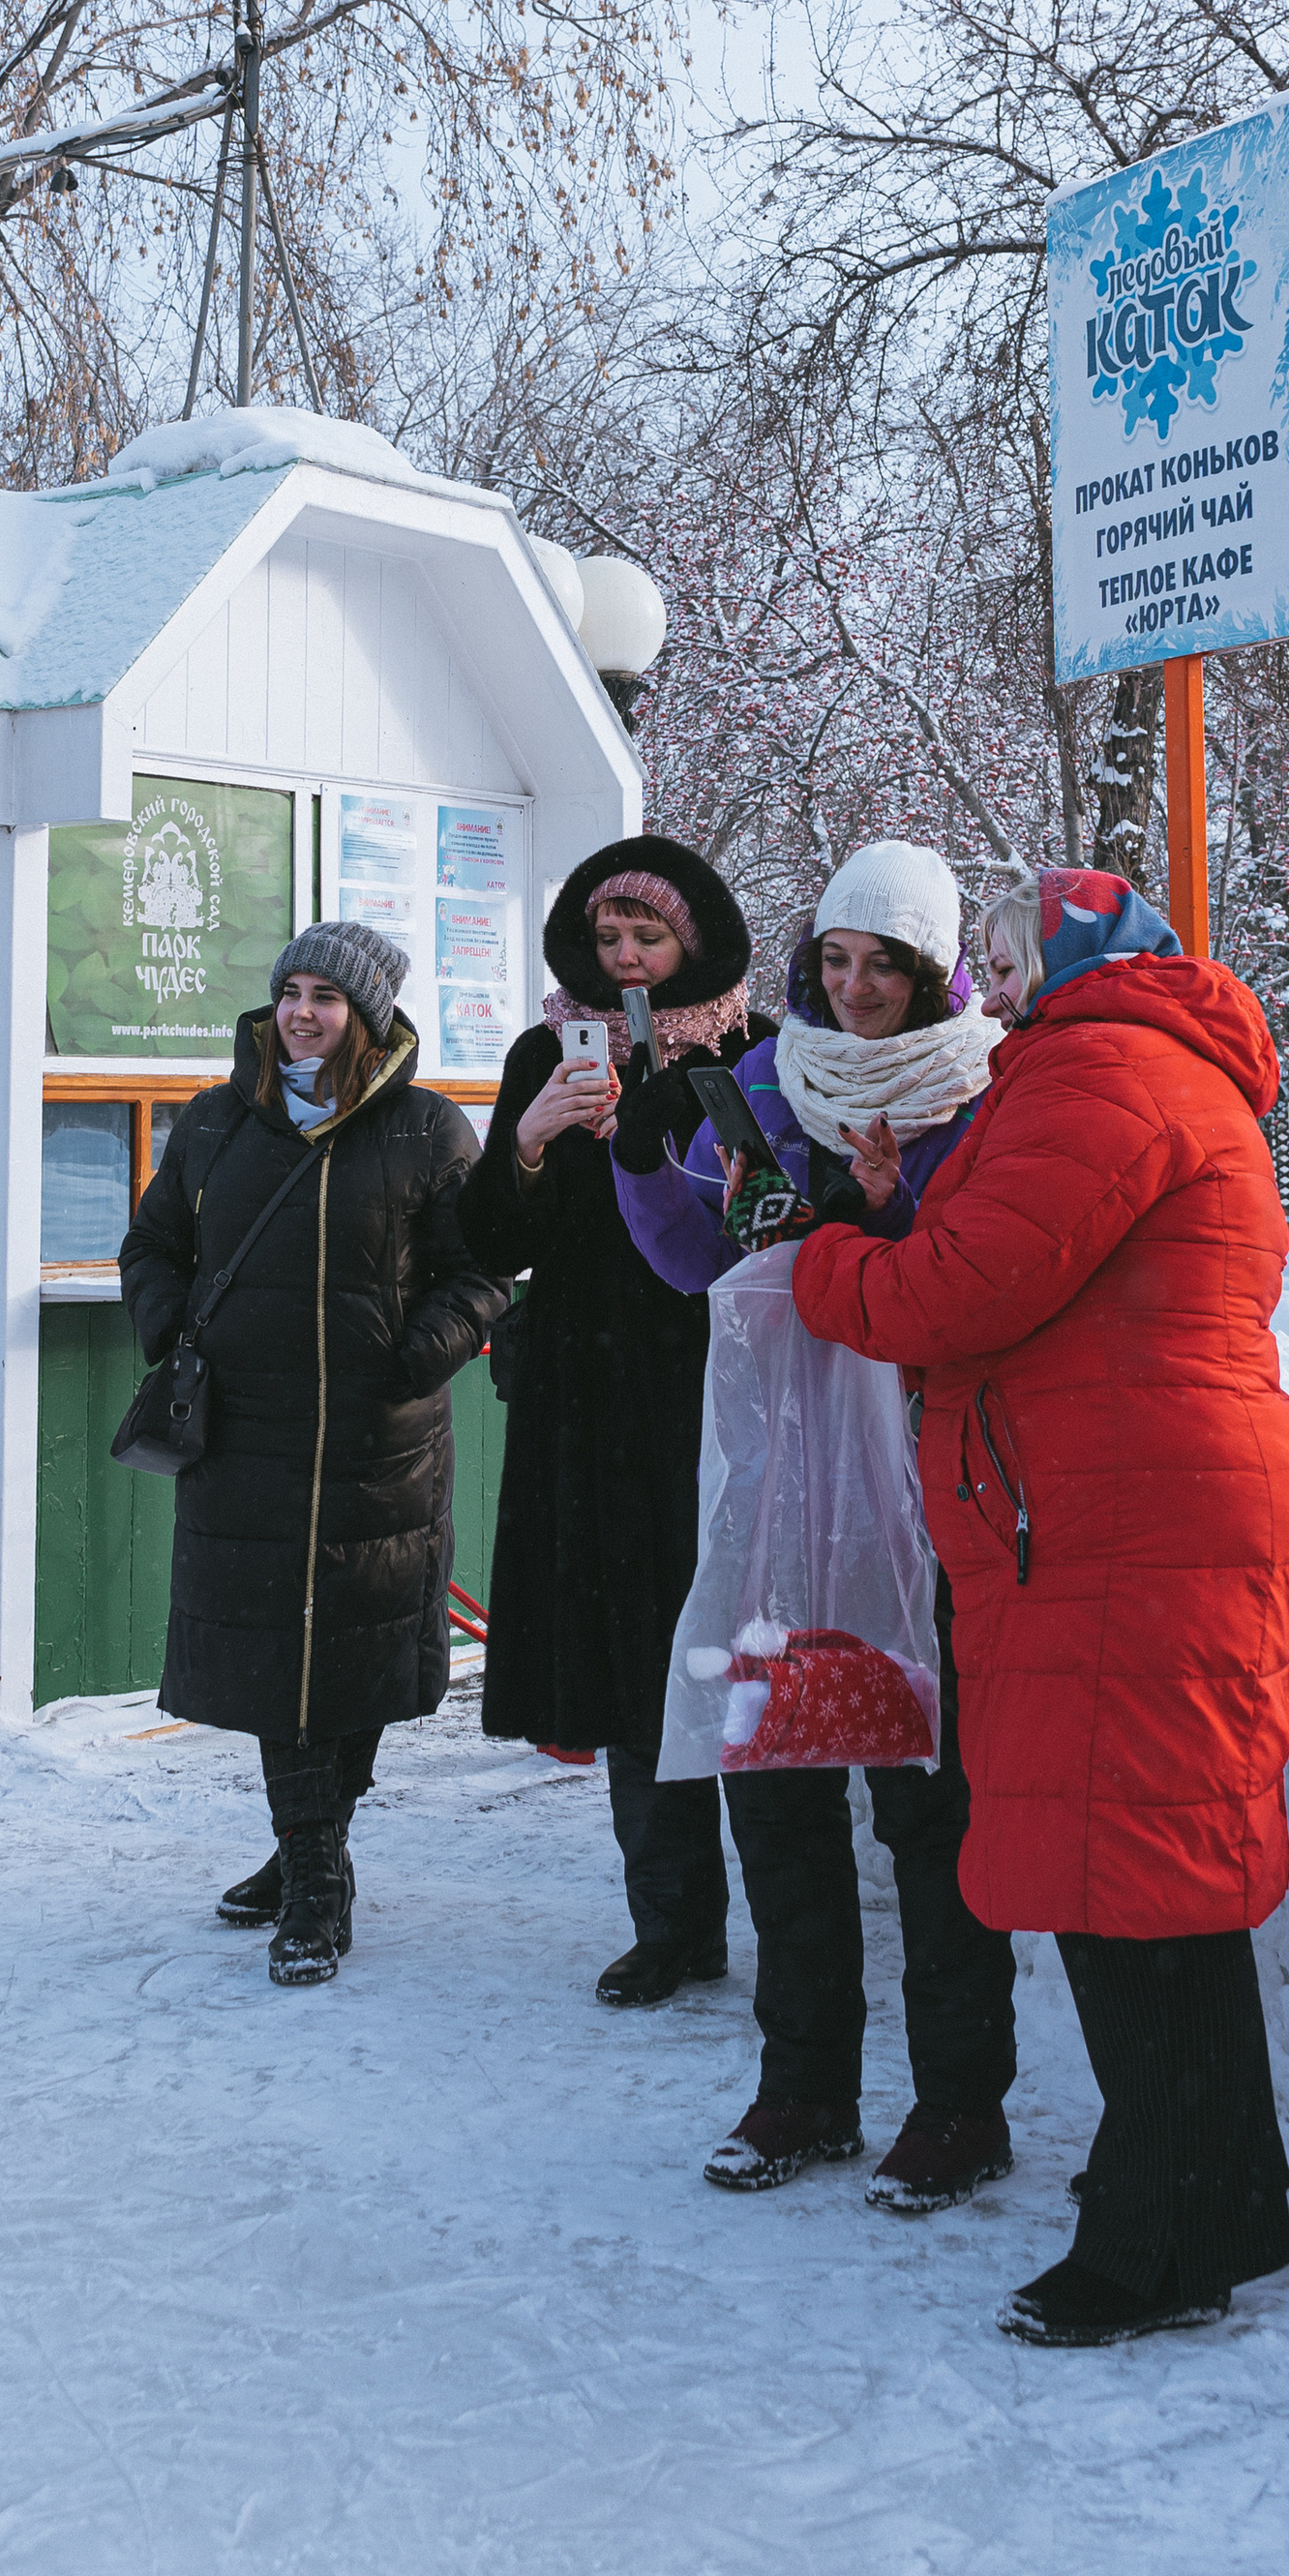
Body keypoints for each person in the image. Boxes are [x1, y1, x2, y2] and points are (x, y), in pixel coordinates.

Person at [793, 867, 1289, 2346]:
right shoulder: (1124, 1066)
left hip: (1129, 1530)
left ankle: (1161, 2244)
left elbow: (955, 1298)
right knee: (1150, 1881)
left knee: (1132, 1891)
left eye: (1010, 959)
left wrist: (826, 1249)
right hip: (1117, 1516)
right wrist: (912, 1208)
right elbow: (1027, 1257)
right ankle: (1207, 2200)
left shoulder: (1101, 1069)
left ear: (1066, 963)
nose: (996, 985)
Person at [615, 840, 1017, 2217]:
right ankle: (807, 2088)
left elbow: (976, 1281)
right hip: (788, 1500)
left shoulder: (982, 1094)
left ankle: (961, 2102)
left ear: (933, 973)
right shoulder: (777, 1084)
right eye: (836, 961)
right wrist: (646, 1164)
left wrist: (894, 1218)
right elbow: (702, 1263)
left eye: (886, 966)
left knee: (929, 1815)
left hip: (926, 1501)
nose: (855, 990)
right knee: (778, 1797)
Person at [119, 919, 504, 1990]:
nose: (301, 1013)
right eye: (289, 990)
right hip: (245, 1442)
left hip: (379, 1446)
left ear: (367, 1016)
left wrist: (422, 1350)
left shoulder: (428, 1133)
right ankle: (317, 1878)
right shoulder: (214, 1126)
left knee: (356, 1662)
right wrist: (169, 1326)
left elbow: (481, 1273)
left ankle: (303, 1843)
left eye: (326, 997)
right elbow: (153, 1245)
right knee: (273, 1659)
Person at [457, 842, 766, 2009]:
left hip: (718, 1389)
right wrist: (529, 1141)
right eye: (608, 940)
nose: (626, 960)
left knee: (736, 1653)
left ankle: (792, 1914)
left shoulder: (753, 1049)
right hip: (587, 1399)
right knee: (633, 1662)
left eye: (649, 937)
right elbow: (488, 1245)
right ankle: (673, 1923)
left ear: (697, 941)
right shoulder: (548, 1050)